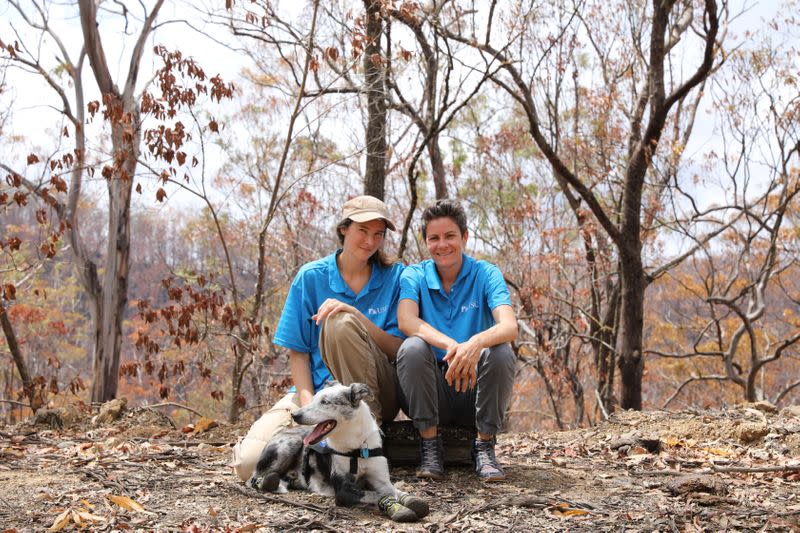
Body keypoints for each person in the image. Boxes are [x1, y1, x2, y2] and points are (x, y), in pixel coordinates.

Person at [232, 195, 404, 481]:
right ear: (344, 229)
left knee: (339, 321)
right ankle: (310, 469)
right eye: (362, 230)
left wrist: (356, 316)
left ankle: (369, 438)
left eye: (378, 234)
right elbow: (298, 353)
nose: (370, 241)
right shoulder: (311, 277)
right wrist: (311, 407)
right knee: (250, 466)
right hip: (316, 393)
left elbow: (399, 349)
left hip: (373, 395)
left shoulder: (396, 276)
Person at [396, 199, 517, 482]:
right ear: (425, 241)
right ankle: (429, 446)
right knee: (411, 347)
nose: (442, 245)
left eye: (450, 236)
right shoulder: (414, 275)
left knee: (501, 352)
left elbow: (509, 326)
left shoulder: (486, 273)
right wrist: (453, 346)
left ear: (464, 237)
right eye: (434, 238)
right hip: (431, 390)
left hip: (473, 390)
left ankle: (484, 445)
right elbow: (407, 321)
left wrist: (474, 344)